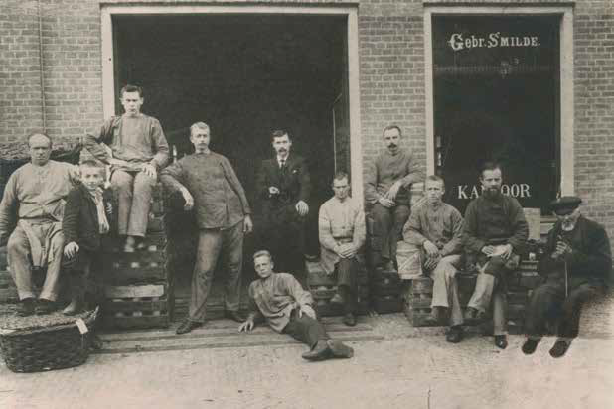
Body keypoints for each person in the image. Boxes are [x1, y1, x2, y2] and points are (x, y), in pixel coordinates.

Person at [160, 122, 252, 335]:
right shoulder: (185, 163)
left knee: (235, 265)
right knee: (204, 269)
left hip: (235, 218)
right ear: (192, 139)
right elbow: (164, 174)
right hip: (209, 222)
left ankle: (232, 307)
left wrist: (246, 213)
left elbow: (237, 185)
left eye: (205, 135)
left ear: (209, 138)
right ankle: (195, 316)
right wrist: (183, 190)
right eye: (198, 136)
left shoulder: (221, 159)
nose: (202, 139)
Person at [522, 197, 611, 358]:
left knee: (574, 296)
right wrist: (553, 256)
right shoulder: (554, 231)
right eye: (561, 215)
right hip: (561, 279)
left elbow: (603, 264)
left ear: (578, 210)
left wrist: (572, 254)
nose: (565, 218)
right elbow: (542, 267)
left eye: (569, 213)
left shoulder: (595, 230)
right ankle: (533, 335)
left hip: (590, 279)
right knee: (541, 293)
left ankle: (564, 339)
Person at [84, 84, 169, 252]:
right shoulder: (114, 122)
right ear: (122, 101)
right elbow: (89, 139)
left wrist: (153, 164)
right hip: (121, 167)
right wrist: (108, 159)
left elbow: (164, 151)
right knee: (121, 183)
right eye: (128, 100)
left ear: (141, 101)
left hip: (144, 166)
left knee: (143, 184)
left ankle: (135, 236)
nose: (131, 104)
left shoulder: (152, 123)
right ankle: (122, 234)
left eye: (135, 100)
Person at [0, 133, 78, 316]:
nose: (40, 152)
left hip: (57, 223)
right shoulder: (19, 174)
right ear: (29, 150)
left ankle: (48, 298)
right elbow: (6, 205)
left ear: (51, 150)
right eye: (36, 148)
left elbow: (90, 181)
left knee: (60, 244)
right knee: (14, 244)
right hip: (27, 225)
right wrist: (1, 233)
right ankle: (26, 298)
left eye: (44, 148)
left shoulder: (65, 169)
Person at [239, 250, 354, 361]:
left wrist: (305, 306)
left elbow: (300, 293)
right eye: (258, 266)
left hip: (296, 310)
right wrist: (250, 319)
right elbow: (254, 309)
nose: (261, 268)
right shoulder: (254, 287)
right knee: (301, 333)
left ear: (271, 265)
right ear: (255, 269)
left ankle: (322, 345)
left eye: (264, 264)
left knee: (304, 320)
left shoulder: (284, 278)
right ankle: (331, 346)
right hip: (281, 322)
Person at [462, 161, 529, 349]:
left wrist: (511, 244)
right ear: (481, 181)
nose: (493, 184)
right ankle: (500, 333)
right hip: (486, 255)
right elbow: (466, 236)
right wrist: (482, 247)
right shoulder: (474, 206)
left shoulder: (511, 203)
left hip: (509, 255)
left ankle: (475, 306)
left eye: (497, 180)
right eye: (489, 180)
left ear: (502, 180)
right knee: (497, 284)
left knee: (493, 269)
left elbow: (523, 230)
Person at [402, 175, 465, 342]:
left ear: (443, 191)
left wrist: (442, 253)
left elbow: (460, 238)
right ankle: (456, 326)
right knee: (447, 274)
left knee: (444, 265)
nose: (433, 193)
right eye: (429, 189)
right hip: (433, 262)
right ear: (424, 192)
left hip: (453, 257)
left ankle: (437, 309)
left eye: (436, 189)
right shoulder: (418, 211)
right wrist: (425, 242)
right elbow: (407, 231)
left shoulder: (452, 212)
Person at [365, 125, 423, 270]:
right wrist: (380, 199)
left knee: (402, 216)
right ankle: (389, 259)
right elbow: (368, 186)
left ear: (400, 138)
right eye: (388, 138)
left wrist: (400, 183)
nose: (391, 142)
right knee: (382, 216)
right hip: (381, 202)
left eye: (394, 137)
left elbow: (418, 174)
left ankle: (390, 259)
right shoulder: (377, 159)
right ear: (384, 140)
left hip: (401, 202)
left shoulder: (408, 156)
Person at [256, 129, 311, 274]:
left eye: (284, 142)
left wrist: (303, 200)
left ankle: (295, 280)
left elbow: (305, 184)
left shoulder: (299, 162)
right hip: (273, 214)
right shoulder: (266, 165)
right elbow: (259, 188)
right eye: (278, 143)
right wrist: (269, 190)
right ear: (273, 145)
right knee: (274, 249)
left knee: (294, 249)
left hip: (293, 213)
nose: (282, 146)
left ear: (290, 143)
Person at [62, 160, 113, 315]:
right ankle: (76, 300)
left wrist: (110, 211)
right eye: (87, 176)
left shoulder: (105, 194)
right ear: (80, 178)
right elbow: (69, 219)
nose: (91, 180)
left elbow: (109, 217)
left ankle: (94, 304)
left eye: (95, 176)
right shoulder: (76, 194)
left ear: (101, 179)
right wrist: (71, 240)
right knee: (75, 265)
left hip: (102, 238)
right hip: (83, 240)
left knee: (99, 272)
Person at [318, 172, 366, 327]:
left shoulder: (356, 205)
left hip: (352, 246)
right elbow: (324, 235)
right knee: (347, 260)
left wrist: (355, 246)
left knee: (348, 260)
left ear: (349, 187)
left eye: (344, 187)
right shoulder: (325, 207)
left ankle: (341, 293)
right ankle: (349, 311)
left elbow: (361, 231)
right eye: (338, 187)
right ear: (333, 188)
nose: (341, 190)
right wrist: (336, 248)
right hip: (332, 251)